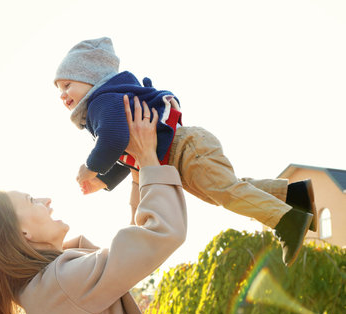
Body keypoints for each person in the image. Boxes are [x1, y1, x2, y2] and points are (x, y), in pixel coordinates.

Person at [0, 97, 187, 314]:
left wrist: (139, 173)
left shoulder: (47, 288)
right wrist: (147, 158)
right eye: (32, 201)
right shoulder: (61, 283)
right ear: (23, 235)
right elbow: (160, 235)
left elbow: (135, 252)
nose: (46, 200)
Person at [54, 36, 317, 266]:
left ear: (90, 77)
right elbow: (125, 152)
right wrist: (102, 181)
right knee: (226, 190)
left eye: (67, 85)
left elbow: (112, 141)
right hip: (186, 151)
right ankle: (293, 195)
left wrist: (89, 168)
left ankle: (287, 221)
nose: (63, 95)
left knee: (226, 192)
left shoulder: (102, 101)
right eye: (58, 90)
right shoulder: (108, 102)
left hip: (185, 150)